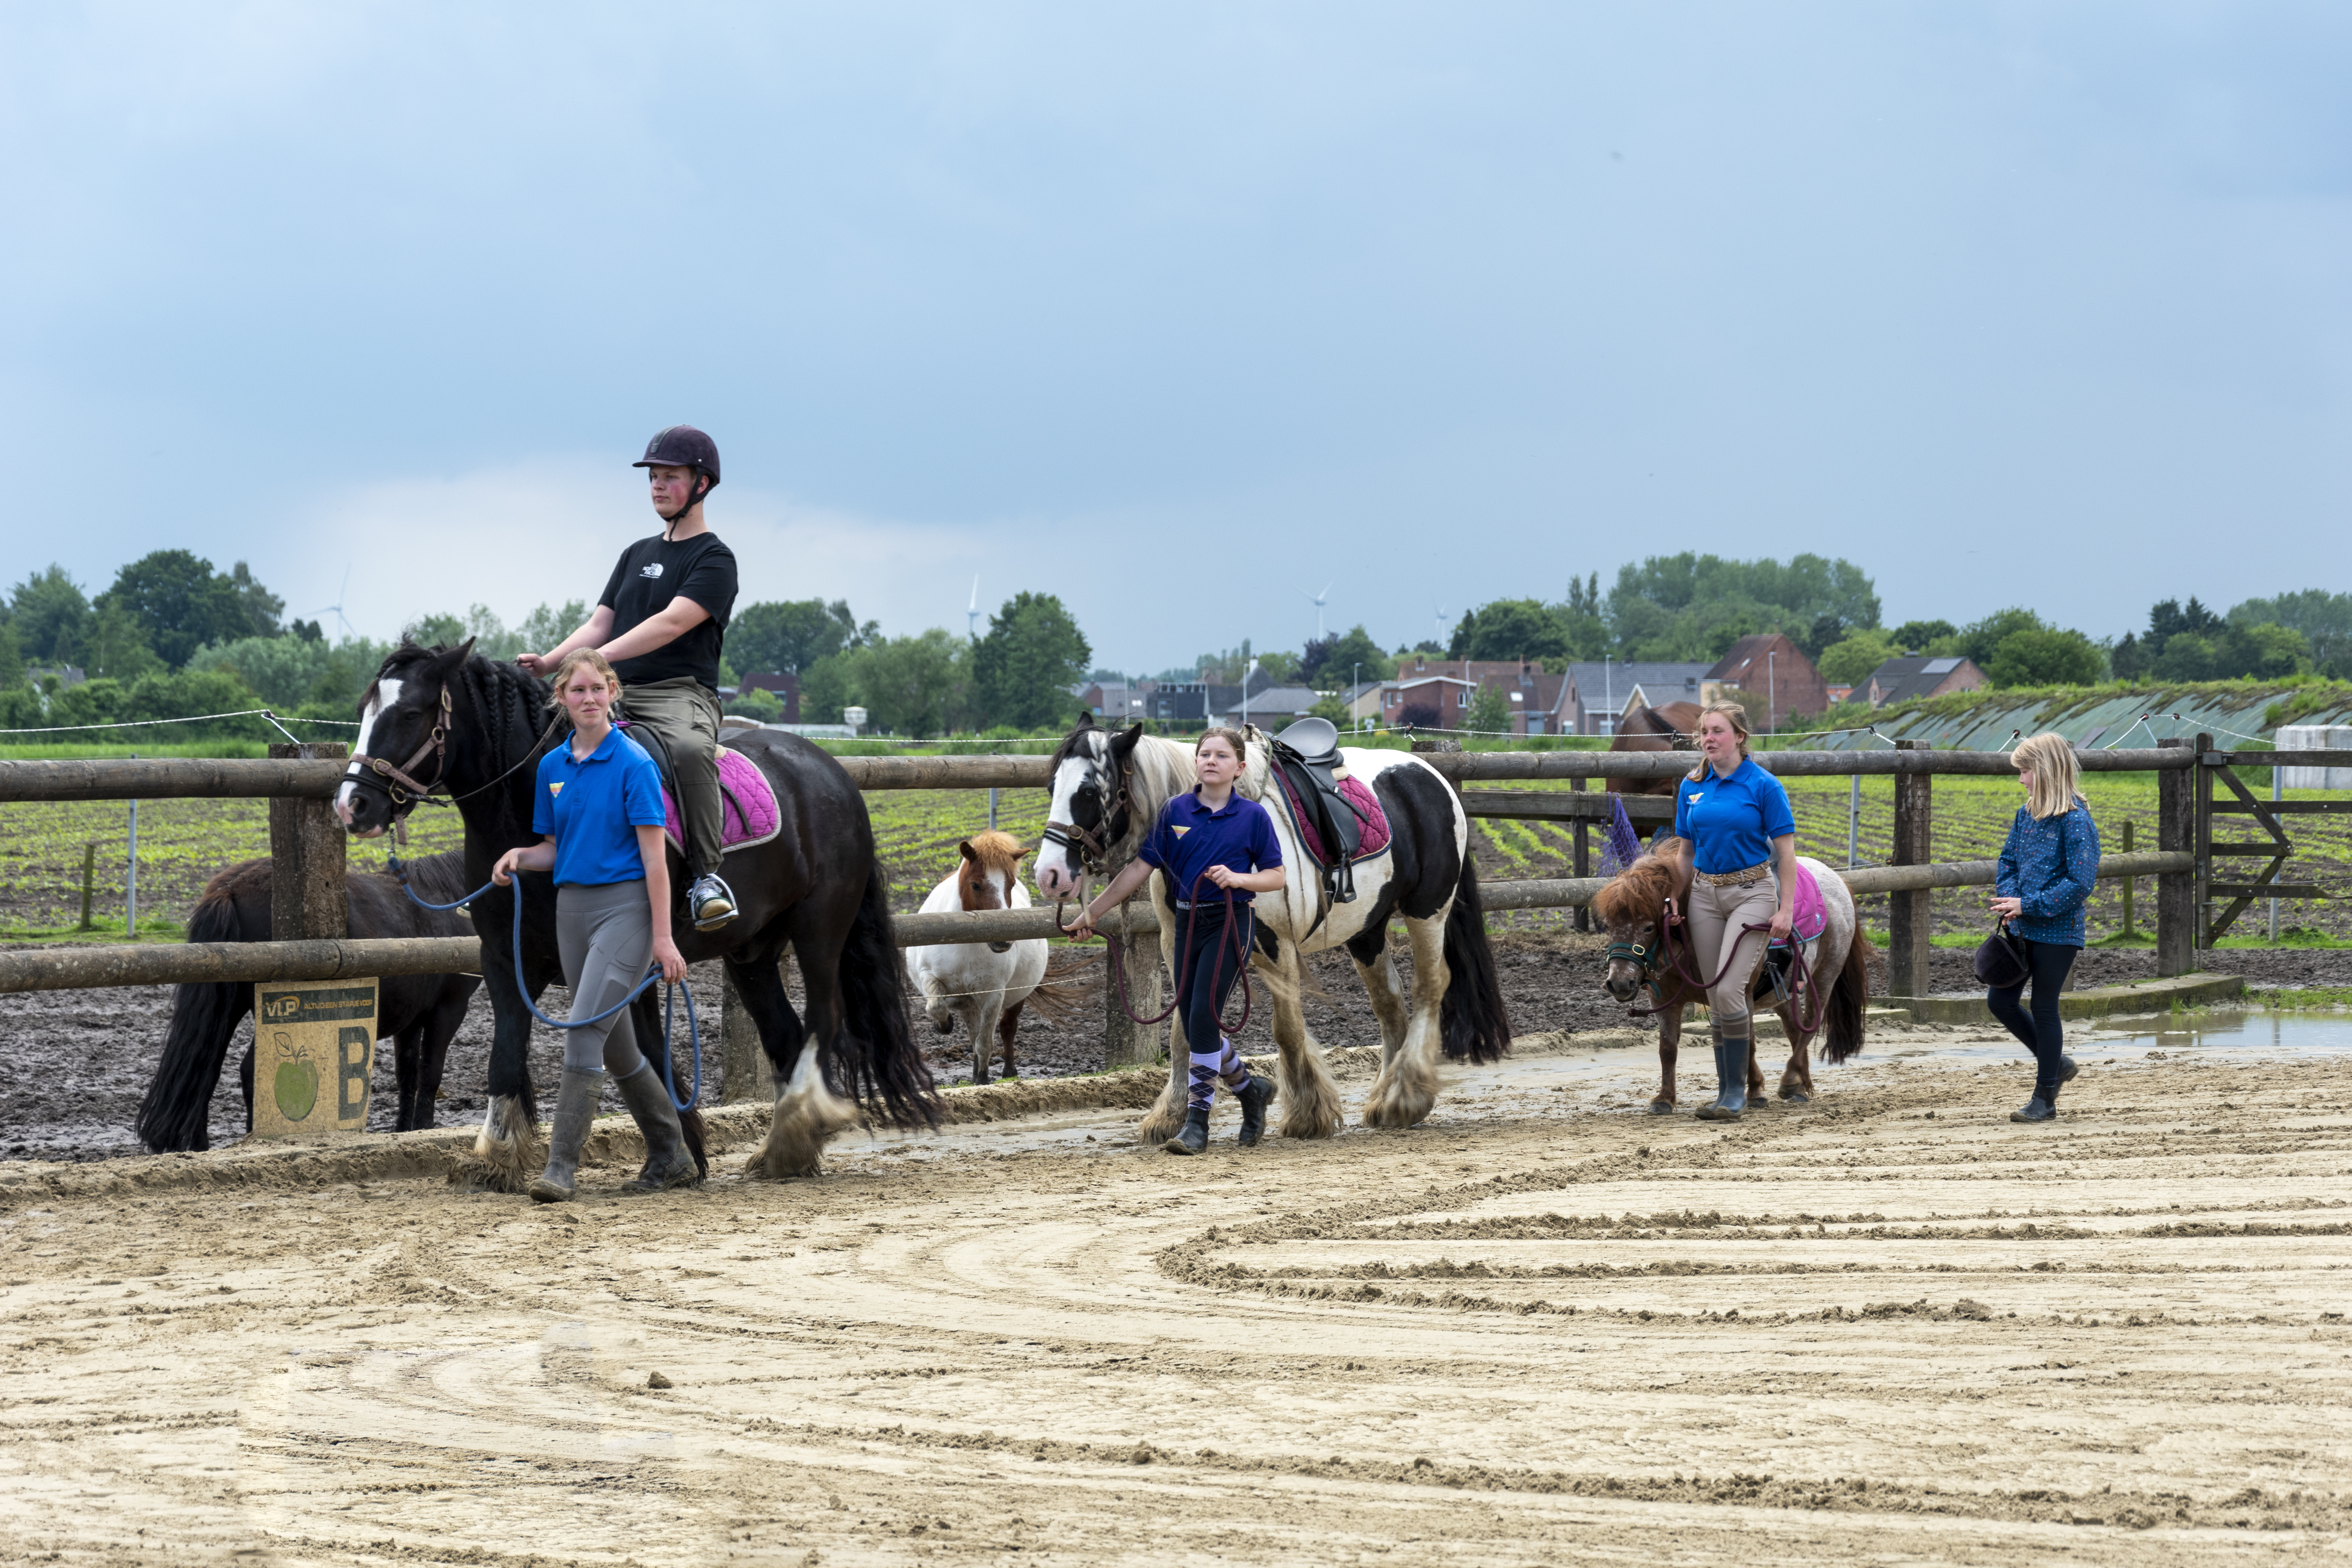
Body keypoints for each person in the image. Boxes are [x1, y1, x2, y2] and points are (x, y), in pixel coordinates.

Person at [492, 648, 698, 1202]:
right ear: (561, 697)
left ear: (613, 693)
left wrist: (662, 938)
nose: (588, 699)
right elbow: (555, 848)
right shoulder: (553, 768)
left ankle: (560, 1168)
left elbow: (656, 861)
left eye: (597, 688)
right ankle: (673, 1154)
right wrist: (520, 856)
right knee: (616, 1048)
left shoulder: (635, 764)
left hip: (626, 910)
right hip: (572, 912)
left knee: (584, 1029)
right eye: (577, 690)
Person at [522, 426, 740, 931]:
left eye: (671, 476)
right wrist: (551, 662)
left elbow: (671, 623)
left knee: (689, 749)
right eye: (654, 477)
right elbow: (601, 622)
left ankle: (706, 877)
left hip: (679, 694)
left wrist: (593, 661)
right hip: (613, 691)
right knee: (535, 737)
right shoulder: (635, 553)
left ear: (702, 484)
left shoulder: (715, 559)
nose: (658, 486)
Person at [1064, 728, 1283, 1155]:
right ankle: (1249, 1089)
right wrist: (1091, 913)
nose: (1211, 761)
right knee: (1196, 1020)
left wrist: (1239, 878)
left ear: (1240, 768)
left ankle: (1197, 1124)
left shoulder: (1253, 817)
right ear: (1196, 762)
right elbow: (1138, 869)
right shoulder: (1175, 811)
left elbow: (1276, 876)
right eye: (1205, 754)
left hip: (1230, 922)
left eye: (1222, 756)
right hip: (1187, 924)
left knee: (1201, 1018)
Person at [1661, 700, 1797, 1122]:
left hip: (1752, 893)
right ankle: (1725, 1093)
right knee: (1713, 993)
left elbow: (1787, 854)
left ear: (1739, 737)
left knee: (1728, 991)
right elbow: (1686, 853)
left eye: (1718, 731)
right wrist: (1675, 897)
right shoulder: (1692, 786)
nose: (1709, 738)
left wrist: (1786, 909)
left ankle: (1737, 1093)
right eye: (1704, 732)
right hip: (1704, 895)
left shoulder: (1764, 785)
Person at [1989, 731, 2099, 1124]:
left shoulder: (2076, 821)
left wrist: (2029, 905)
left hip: (2059, 931)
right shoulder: (2026, 815)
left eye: (2025, 771)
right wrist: (2011, 900)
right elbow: (2008, 860)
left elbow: (2081, 883)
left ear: (2047, 769)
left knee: (2043, 1006)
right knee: (2000, 1001)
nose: (2021, 779)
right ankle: (2059, 1064)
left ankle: (2045, 1098)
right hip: (2022, 927)